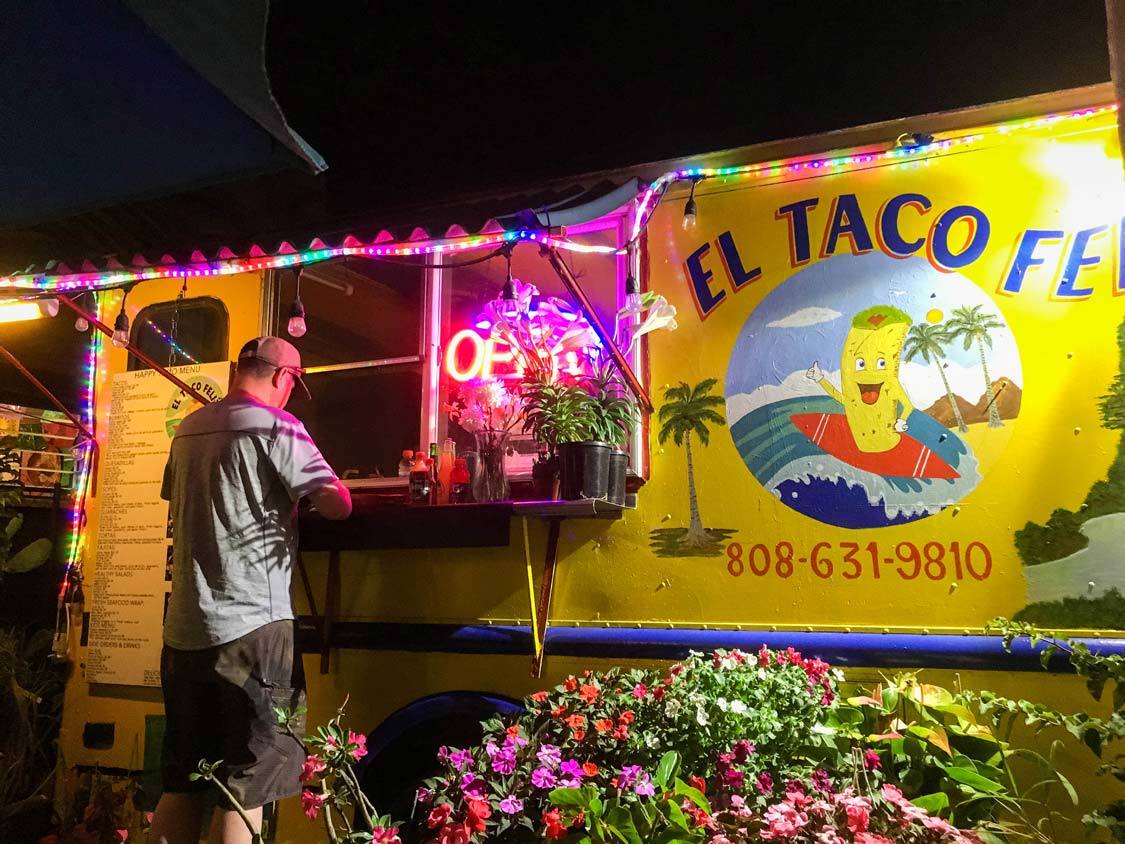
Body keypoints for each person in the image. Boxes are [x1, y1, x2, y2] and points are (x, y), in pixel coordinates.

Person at [149, 336, 352, 844]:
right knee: (246, 786)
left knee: (184, 780)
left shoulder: (189, 429)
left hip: (184, 632)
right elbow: (336, 505)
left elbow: (178, 494)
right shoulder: (278, 426)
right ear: (284, 377)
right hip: (253, 630)